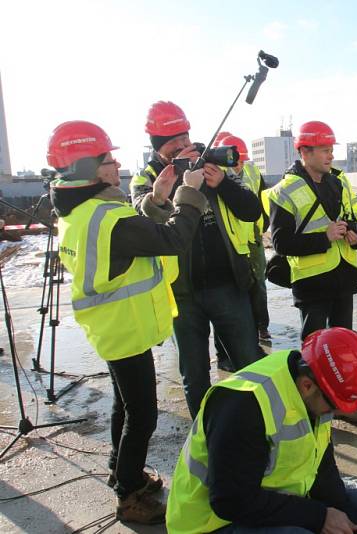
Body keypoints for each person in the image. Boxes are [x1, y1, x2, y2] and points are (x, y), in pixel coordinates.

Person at [47, 120, 207, 523]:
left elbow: (138, 231)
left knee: (125, 403)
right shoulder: (106, 217)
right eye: (106, 159)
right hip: (124, 327)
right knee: (143, 415)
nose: (115, 164)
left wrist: (156, 199)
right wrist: (189, 194)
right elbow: (170, 239)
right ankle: (129, 495)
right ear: (85, 167)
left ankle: (123, 470)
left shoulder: (82, 212)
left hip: (110, 326)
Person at [166, 328, 357, 533]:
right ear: (307, 386)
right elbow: (230, 501)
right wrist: (319, 517)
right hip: (212, 522)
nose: (335, 413)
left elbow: (321, 466)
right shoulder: (244, 405)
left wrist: (345, 515)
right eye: (334, 406)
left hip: (270, 496)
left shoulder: (312, 382)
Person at [131, 101, 263, 419]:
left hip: (226, 284)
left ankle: (259, 427)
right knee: (195, 375)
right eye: (172, 140)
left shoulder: (209, 163)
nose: (182, 144)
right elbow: (140, 221)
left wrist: (221, 184)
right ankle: (205, 438)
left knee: (251, 364)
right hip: (181, 293)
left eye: (185, 135)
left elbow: (252, 210)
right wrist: (169, 188)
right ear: (157, 146)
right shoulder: (147, 178)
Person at [267, 121, 357, 424]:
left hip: (343, 277)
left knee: (343, 347)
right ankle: (308, 408)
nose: (330, 155)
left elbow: (356, 225)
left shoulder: (340, 183)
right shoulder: (284, 191)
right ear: (304, 152)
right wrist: (323, 237)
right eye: (324, 150)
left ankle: (341, 405)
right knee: (312, 349)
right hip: (312, 282)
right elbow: (281, 242)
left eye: (331, 149)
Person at [218, 134, 272, 344]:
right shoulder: (217, 175)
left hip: (253, 238)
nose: (239, 166)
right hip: (230, 243)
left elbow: (263, 198)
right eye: (235, 161)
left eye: (241, 161)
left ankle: (262, 326)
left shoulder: (252, 171)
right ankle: (243, 328)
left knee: (259, 283)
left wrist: (263, 226)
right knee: (236, 286)